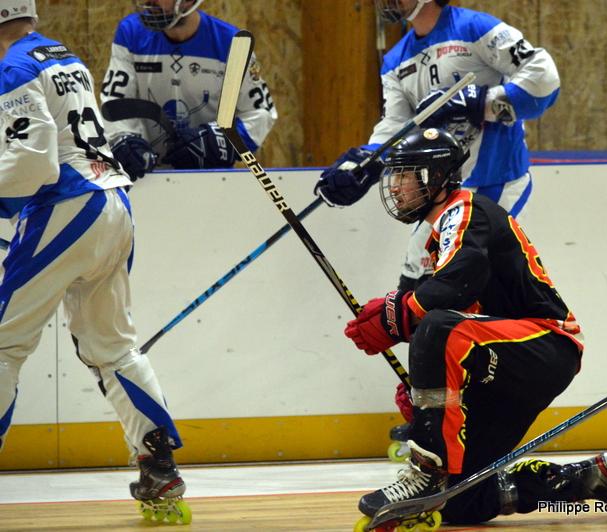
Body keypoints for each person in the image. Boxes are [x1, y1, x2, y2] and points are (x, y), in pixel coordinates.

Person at [345, 128, 607, 527]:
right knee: (460, 499)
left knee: (438, 328)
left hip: (545, 343)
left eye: (405, 175)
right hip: (506, 361)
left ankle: (425, 474)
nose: (396, 187)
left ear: (435, 177)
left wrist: (396, 314)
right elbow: (456, 315)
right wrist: (427, 395)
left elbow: (458, 283)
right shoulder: (441, 234)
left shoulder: (464, 210)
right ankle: (589, 479)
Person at [0, 1, 189, 523]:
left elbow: (33, 160)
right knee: (114, 346)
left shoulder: (13, 66)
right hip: (112, 204)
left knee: (4, 343)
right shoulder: (62, 56)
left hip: (65, 205)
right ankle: (158, 463)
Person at [315, 0, 560, 291]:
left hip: (497, 184)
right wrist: (365, 162)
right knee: (415, 285)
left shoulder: (476, 28)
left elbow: (544, 77)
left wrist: (480, 102)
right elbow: (397, 125)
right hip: (445, 192)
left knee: (461, 287)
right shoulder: (395, 61)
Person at [101, 0, 278, 180]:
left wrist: (216, 141)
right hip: (146, 179)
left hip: (210, 180)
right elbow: (115, 104)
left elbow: (260, 114)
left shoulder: (232, 43)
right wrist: (123, 140)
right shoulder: (131, 33)